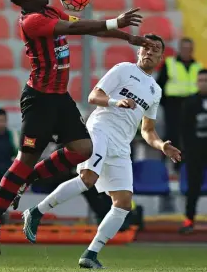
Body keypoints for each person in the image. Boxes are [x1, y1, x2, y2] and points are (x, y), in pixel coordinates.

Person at [0, 0, 154, 256]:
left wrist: (125, 36)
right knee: (25, 159)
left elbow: (84, 27)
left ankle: (28, 180)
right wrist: (113, 21)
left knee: (83, 149)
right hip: (39, 100)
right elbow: (72, 29)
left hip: (60, 98)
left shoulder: (49, 11)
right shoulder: (32, 21)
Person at [23, 34, 182, 269]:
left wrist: (162, 145)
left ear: (160, 56)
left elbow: (147, 130)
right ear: (139, 52)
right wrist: (116, 102)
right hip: (101, 129)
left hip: (121, 143)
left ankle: (91, 253)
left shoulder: (155, 91)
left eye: (155, 49)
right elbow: (93, 96)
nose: (149, 52)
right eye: (145, 48)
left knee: (123, 203)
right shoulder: (123, 70)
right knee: (88, 179)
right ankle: (36, 213)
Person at [157, 38, 202, 169]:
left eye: (189, 49)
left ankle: (185, 166)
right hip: (173, 105)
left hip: (192, 105)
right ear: (180, 49)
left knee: (191, 135)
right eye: (184, 48)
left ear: (192, 50)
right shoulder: (170, 63)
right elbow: (159, 86)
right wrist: (166, 104)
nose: (187, 51)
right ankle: (168, 166)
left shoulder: (198, 66)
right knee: (172, 135)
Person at [179, 69, 207, 234]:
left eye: (206, 80)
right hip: (195, 151)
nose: (203, 83)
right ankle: (189, 221)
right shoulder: (190, 103)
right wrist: (187, 151)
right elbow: (184, 129)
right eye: (201, 80)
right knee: (193, 188)